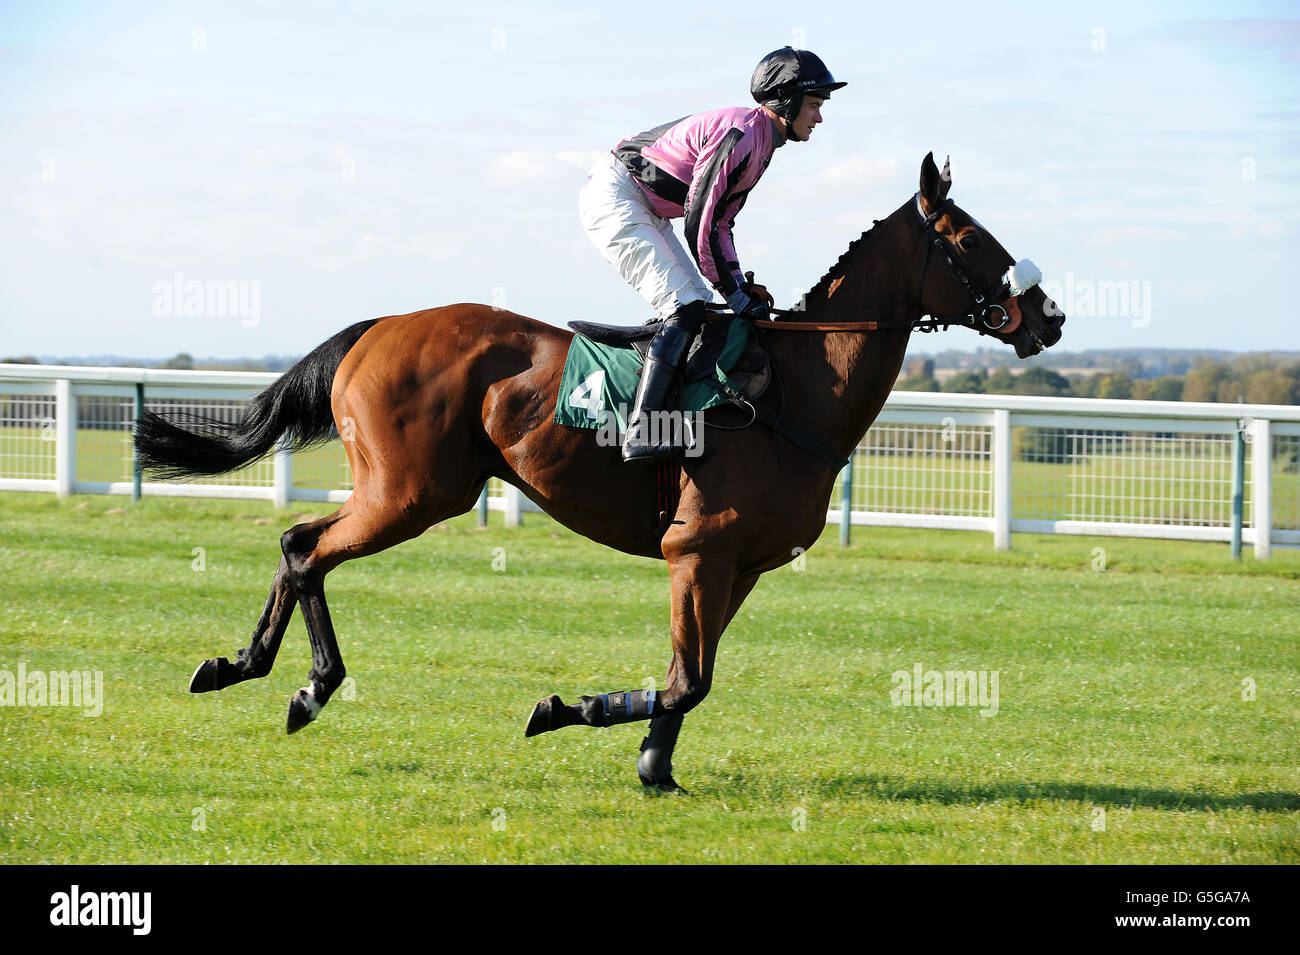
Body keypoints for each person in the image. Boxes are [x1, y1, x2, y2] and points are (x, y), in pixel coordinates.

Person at [579, 46, 846, 464]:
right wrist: (736, 295)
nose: (820, 117)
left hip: (645, 202)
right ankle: (641, 431)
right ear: (786, 101)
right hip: (617, 195)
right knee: (684, 305)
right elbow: (700, 224)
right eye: (814, 105)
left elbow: (720, 225)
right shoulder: (741, 136)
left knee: (699, 306)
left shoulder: (762, 143)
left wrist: (738, 286)